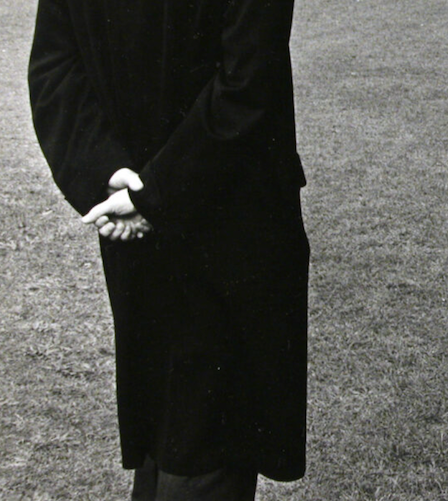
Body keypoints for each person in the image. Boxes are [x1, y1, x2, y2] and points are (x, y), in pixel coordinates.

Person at [28, 1, 310, 499]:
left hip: (199, 212)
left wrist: (128, 184)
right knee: (190, 438)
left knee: (189, 432)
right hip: (211, 214)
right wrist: (122, 180)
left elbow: (56, 66)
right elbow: (247, 83)